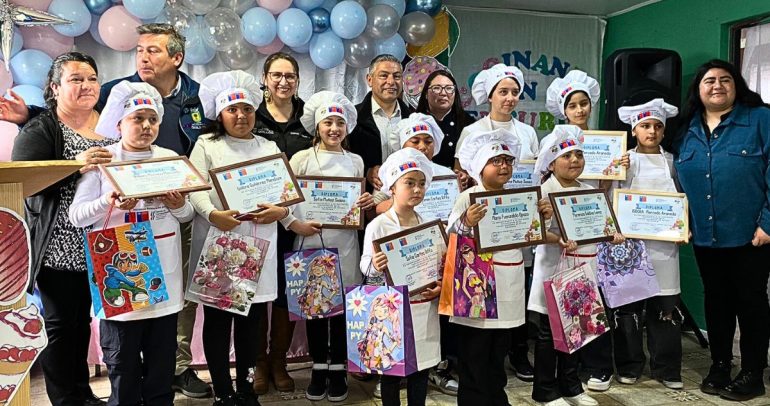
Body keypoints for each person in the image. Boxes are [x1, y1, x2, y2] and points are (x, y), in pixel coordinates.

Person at [68, 81, 193, 405]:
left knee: (160, 367)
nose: (147, 126)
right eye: (138, 118)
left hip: (162, 277)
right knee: (122, 365)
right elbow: (77, 216)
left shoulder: (169, 159)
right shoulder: (103, 160)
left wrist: (177, 202)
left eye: (152, 119)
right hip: (121, 276)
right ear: (120, 122)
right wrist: (106, 203)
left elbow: (186, 216)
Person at [10, 51, 113, 406]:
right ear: (54, 88)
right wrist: (73, 165)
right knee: (60, 326)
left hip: (108, 242)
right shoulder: (42, 128)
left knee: (84, 324)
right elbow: (24, 182)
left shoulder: (112, 121)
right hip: (60, 245)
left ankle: (83, 392)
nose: (86, 86)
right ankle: (65, 399)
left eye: (91, 78)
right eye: (75, 79)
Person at [674, 59, 770, 402]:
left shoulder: (760, 118)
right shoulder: (686, 129)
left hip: (751, 235)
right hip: (704, 235)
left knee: (751, 303)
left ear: (736, 85)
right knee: (717, 302)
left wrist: (768, 223)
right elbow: (676, 186)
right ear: (698, 90)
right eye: (709, 81)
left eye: (725, 80)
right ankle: (719, 365)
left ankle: (753, 372)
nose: (717, 85)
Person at [448, 128, 551, 405]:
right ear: (481, 167)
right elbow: (450, 237)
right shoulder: (468, 198)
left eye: (508, 161)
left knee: (499, 348)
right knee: (475, 350)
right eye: (496, 161)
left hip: (510, 282)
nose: (504, 166)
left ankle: (496, 397)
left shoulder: (519, 198)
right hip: (478, 288)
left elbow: (534, 236)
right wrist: (466, 222)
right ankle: (473, 400)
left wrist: (544, 217)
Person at [528, 125, 624, 406]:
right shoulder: (545, 190)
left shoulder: (588, 191)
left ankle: (571, 387)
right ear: (552, 162)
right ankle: (545, 390)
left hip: (584, 271)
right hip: (555, 269)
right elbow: (534, 231)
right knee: (548, 333)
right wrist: (556, 237)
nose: (574, 161)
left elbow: (601, 227)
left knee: (577, 330)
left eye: (579, 155)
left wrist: (613, 234)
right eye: (567, 156)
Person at [455, 63, 539, 382]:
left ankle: (516, 354)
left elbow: (535, 177)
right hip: (484, 226)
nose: (509, 98)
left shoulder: (528, 132)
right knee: (483, 295)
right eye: (503, 92)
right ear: (489, 95)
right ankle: (479, 367)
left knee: (514, 291)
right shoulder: (472, 132)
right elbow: (462, 179)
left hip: (516, 223)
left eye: (515, 92)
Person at [291, 90, 375, 401]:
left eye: (340, 122)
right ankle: (318, 366)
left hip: (346, 244)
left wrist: (365, 201)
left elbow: (360, 201)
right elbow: (288, 199)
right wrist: (296, 223)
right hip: (310, 240)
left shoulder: (355, 160)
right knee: (315, 309)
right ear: (317, 125)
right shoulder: (301, 158)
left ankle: (339, 367)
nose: (334, 129)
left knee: (340, 309)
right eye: (328, 122)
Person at [545, 70, 620, 392]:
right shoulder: (547, 185)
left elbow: (600, 204)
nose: (579, 110)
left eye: (583, 103)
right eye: (572, 105)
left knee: (593, 309)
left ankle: (597, 368)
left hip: (589, 252)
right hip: (559, 257)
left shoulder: (602, 150)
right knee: (561, 318)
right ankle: (562, 378)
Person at [250, 52, 314, 395]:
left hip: (297, 223)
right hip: (258, 222)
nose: (283, 82)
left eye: (290, 76)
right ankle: (258, 362)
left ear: (298, 80)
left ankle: (280, 361)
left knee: (288, 295)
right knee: (259, 295)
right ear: (265, 78)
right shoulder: (250, 115)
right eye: (276, 75)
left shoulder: (310, 117)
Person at [360, 148, 442, 406]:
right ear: (393, 187)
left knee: (421, 368)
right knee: (392, 371)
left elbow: (439, 265)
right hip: (392, 311)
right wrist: (375, 263)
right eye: (409, 183)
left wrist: (439, 285)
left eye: (421, 184)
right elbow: (364, 266)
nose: (417, 189)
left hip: (424, 307)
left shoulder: (428, 224)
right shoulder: (379, 226)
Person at [614, 98, 684, 389]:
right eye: (645, 126)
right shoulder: (623, 161)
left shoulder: (672, 162)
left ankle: (667, 369)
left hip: (665, 249)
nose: (651, 131)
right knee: (628, 311)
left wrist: (684, 227)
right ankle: (630, 366)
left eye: (657, 126)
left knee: (664, 311)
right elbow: (611, 196)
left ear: (664, 132)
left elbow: (683, 198)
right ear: (634, 130)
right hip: (630, 248)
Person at [349, 54, 413, 191]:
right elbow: (344, 159)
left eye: (397, 76)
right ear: (369, 80)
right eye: (384, 76)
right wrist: (366, 172)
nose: (391, 81)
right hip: (366, 197)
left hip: (406, 195)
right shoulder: (352, 118)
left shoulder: (414, 119)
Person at [415, 70, 475, 188]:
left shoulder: (468, 124)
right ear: (426, 93)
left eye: (449, 88)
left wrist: (466, 176)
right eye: (437, 88)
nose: (443, 93)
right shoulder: (414, 121)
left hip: (456, 188)